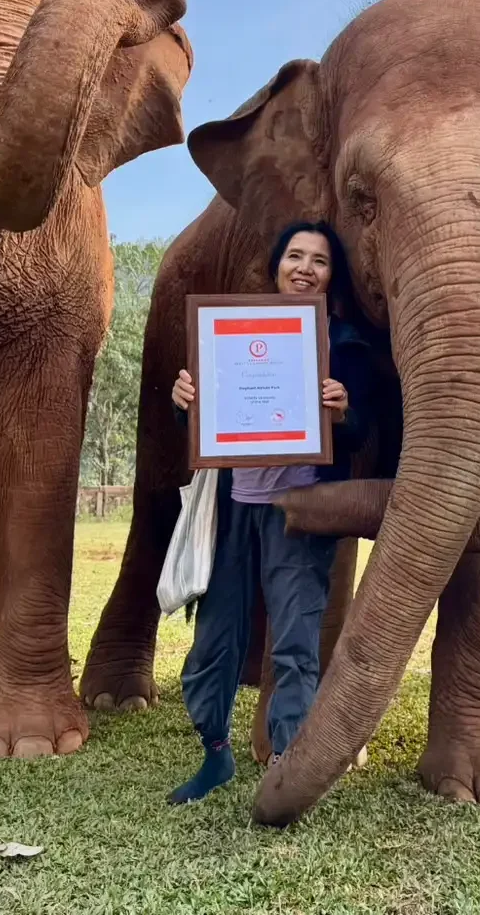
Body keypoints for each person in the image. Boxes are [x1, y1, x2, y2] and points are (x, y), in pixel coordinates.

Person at [166, 220, 375, 804]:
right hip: (234, 509)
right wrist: (187, 401)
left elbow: (362, 432)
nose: (306, 268)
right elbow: (207, 425)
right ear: (277, 265)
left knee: (294, 644)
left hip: (299, 514)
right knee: (215, 641)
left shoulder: (345, 344)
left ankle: (289, 767)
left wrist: (345, 408)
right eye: (296, 256)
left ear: (334, 276)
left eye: (320, 261)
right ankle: (215, 756)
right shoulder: (232, 332)